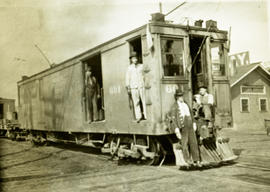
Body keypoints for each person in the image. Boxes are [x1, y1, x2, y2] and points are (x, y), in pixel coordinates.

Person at [170, 89, 202, 168]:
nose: (181, 98)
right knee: (184, 144)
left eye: (182, 96)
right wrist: (176, 129)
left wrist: (194, 123)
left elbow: (191, 114)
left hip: (190, 124)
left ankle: (197, 160)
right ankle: (187, 161)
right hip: (183, 126)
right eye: (180, 96)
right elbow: (173, 119)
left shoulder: (186, 104)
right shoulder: (174, 106)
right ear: (177, 97)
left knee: (194, 143)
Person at [125, 52, 147, 123]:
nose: (135, 59)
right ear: (131, 60)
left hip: (141, 86)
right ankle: (138, 116)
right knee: (136, 102)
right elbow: (127, 78)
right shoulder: (129, 68)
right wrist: (128, 87)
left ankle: (146, 116)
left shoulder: (141, 66)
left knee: (144, 101)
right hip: (133, 87)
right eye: (133, 58)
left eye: (136, 58)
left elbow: (144, 76)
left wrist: (145, 83)